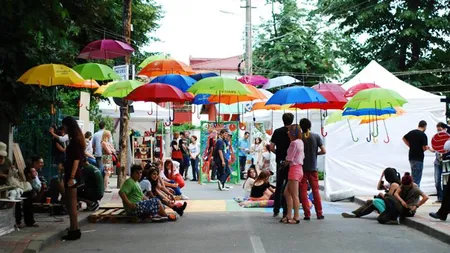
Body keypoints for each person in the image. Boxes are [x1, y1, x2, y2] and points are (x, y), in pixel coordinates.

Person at [61, 116, 86, 240]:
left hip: (72, 175)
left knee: (71, 204)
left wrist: (71, 176)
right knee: (71, 203)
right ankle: (74, 228)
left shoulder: (75, 140)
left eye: (64, 126)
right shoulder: (77, 139)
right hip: (73, 174)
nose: (63, 128)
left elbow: (76, 159)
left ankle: (73, 229)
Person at [299, 118, 326, 220]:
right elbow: (324, 151)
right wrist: (315, 154)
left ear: (301, 127)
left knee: (303, 191)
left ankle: (307, 214)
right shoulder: (316, 136)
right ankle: (319, 213)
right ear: (310, 126)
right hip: (313, 168)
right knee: (315, 191)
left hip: (302, 168)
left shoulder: (299, 138)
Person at [270, 112, 294, 218]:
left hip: (280, 161)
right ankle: (286, 210)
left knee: (279, 185)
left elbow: (271, 147)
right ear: (292, 120)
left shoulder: (277, 131)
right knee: (288, 186)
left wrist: (277, 153)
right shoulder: (294, 132)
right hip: (291, 162)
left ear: (282, 120)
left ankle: (276, 209)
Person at [281, 124, 304, 224]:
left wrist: (283, 163)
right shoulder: (300, 142)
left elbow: (289, 157)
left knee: (294, 195)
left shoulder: (293, 143)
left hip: (294, 169)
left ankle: (296, 217)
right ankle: (289, 215)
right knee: (287, 193)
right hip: (299, 169)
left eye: (289, 131)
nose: (287, 133)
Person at [402, 120, 430, 187]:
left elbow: (404, 138)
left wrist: (410, 145)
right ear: (425, 126)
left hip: (411, 157)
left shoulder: (412, 132)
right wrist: (427, 148)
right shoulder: (423, 135)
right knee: (417, 179)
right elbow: (423, 148)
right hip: (419, 158)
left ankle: (411, 193)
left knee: (413, 177)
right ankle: (415, 195)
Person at [431, 122, 448, 203]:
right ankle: (440, 197)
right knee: (437, 181)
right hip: (437, 162)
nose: (439, 131)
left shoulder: (448, 138)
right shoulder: (437, 138)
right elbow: (435, 149)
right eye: (438, 130)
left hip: (445, 162)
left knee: (445, 181)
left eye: (440, 130)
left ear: (444, 129)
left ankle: (444, 198)